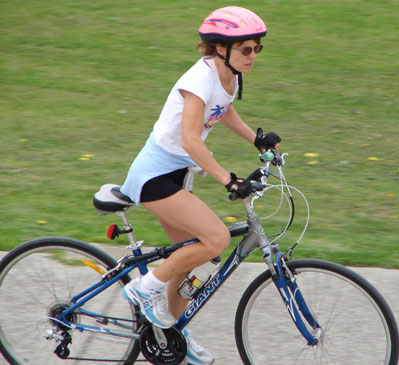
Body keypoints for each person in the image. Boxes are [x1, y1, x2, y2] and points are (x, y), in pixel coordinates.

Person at [120, 6, 281, 364]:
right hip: (154, 177)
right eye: (246, 49)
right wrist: (230, 179)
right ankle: (145, 290)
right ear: (221, 48)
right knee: (216, 239)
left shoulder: (230, 77)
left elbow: (223, 111)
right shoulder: (198, 81)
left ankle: (171, 335)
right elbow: (192, 140)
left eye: (257, 49)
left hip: (178, 175)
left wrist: (256, 139)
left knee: (187, 259)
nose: (253, 56)